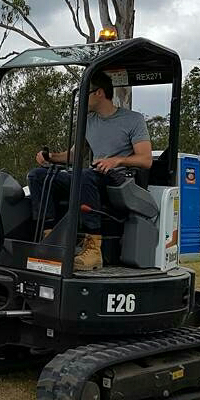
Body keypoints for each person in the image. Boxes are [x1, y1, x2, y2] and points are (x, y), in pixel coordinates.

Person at [27, 70, 153, 269]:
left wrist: (116, 161)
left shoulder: (133, 120)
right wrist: (50, 157)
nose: (82, 99)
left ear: (99, 93)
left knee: (85, 175)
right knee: (38, 176)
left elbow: (146, 160)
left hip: (119, 180)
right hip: (92, 176)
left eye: (86, 92)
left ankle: (94, 249)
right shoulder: (88, 122)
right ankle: (50, 240)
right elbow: (73, 155)